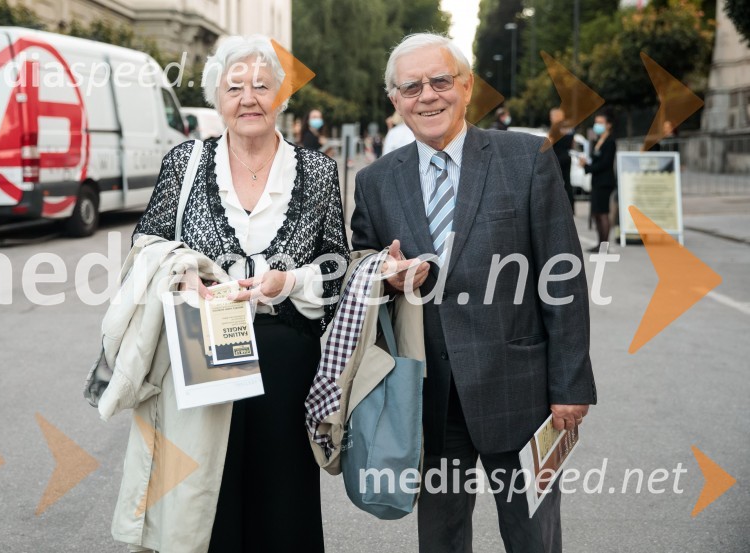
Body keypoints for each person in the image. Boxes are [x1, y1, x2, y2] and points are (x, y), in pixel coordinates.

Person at [351, 33, 596, 553]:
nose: (427, 95)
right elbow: (360, 263)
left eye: (440, 81)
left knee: (533, 539)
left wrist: (571, 384)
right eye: (411, 87)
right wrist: (382, 273)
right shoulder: (376, 181)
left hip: (523, 395)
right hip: (430, 399)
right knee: (440, 541)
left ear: (465, 87)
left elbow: (564, 278)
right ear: (395, 99)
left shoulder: (526, 157)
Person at [130, 35, 349, 553]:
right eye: (234, 88)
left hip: (286, 361)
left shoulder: (317, 172)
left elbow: (336, 268)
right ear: (216, 98)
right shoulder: (184, 163)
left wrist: (288, 282)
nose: (248, 98)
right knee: (207, 498)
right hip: (201, 350)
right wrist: (182, 271)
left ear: (280, 96)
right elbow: (146, 243)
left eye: (261, 86)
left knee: (283, 502)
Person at [580, 110, 617, 252]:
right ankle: (599, 243)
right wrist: (586, 163)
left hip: (604, 182)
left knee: (602, 213)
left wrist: (587, 167)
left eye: (601, 122)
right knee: (596, 213)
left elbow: (605, 164)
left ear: (608, 125)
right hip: (597, 181)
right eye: (596, 122)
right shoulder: (598, 141)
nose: (597, 125)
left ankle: (604, 246)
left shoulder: (610, 142)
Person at [549, 107, 575, 212]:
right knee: (567, 183)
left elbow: (549, 143)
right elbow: (572, 144)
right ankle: (571, 207)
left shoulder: (555, 128)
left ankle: (556, 208)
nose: (550, 118)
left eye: (551, 116)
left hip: (556, 157)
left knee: (555, 183)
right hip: (567, 157)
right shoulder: (569, 128)